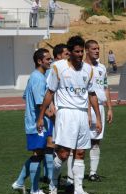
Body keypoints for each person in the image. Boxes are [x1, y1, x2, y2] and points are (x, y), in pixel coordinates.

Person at [37, 35, 102, 194]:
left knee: (80, 153)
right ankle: (53, 185)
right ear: (70, 52)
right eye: (77, 51)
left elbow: (92, 94)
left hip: (81, 113)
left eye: (81, 51)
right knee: (64, 154)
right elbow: (49, 93)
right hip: (66, 113)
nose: (80, 54)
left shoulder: (89, 69)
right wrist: (40, 116)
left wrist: (98, 118)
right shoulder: (58, 67)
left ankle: (78, 192)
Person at [12, 48, 51, 194]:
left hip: (38, 121)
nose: (50, 61)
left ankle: (20, 182)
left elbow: (26, 96)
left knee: (39, 153)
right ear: (39, 61)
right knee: (37, 153)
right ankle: (35, 190)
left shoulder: (38, 77)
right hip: (36, 123)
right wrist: (53, 117)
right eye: (47, 59)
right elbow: (40, 104)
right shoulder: (37, 78)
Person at [84, 40, 113, 182]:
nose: (97, 51)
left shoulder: (102, 67)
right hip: (85, 109)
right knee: (81, 142)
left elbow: (105, 88)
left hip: (100, 108)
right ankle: (74, 175)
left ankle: (93, 173)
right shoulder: (82, 68)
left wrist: (109, 108)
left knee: (96, 141)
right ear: (86, 50)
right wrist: (88, 111)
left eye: (98, 49)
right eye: (93, 49)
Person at [41, 43, 69, 184]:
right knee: (55, 145)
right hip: (56, 113)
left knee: (55, 145)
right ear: (58, 56)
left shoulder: (65, 68)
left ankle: (52, 175)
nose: (69, 57)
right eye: (66, 54)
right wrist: (51, 108)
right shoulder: (53, 69)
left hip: (61, 113)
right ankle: (52, 176)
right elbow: (49, 91)